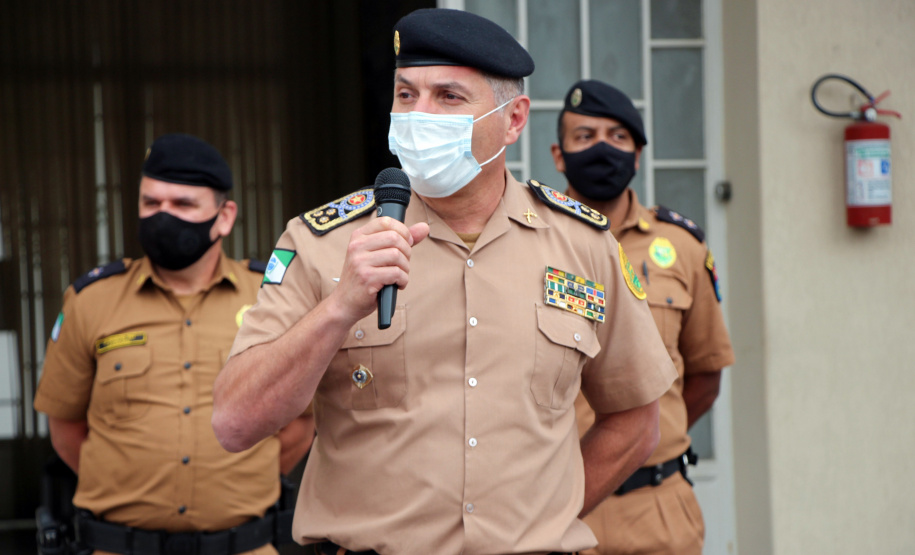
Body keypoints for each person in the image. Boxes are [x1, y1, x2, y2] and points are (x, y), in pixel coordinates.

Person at [212, 9, 676, 555]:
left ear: (514, 118)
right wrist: (339, 307)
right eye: (406, 95)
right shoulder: (323, 243)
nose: (419, 114)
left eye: (449, 97)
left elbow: (635, 419)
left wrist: (545, 521)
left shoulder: (582, 244)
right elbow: (235, 424)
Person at [33, 133, 314, 555]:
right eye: (151, 203)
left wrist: (242, 479)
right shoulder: (90, 301)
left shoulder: (271, 299)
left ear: (224, 216)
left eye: (183, 205)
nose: (163, 215)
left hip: (243, 545)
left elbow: (302, 421)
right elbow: (66, 428)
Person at [550, 80, 736, 555]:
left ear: (636, 156)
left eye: (618, 137)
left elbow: (704, 376)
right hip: (554, 512)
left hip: (658, 510)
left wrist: (640, 436)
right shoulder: (530, 246)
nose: (601, 148)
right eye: (584, 135)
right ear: (558, 154)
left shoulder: (682, 248)